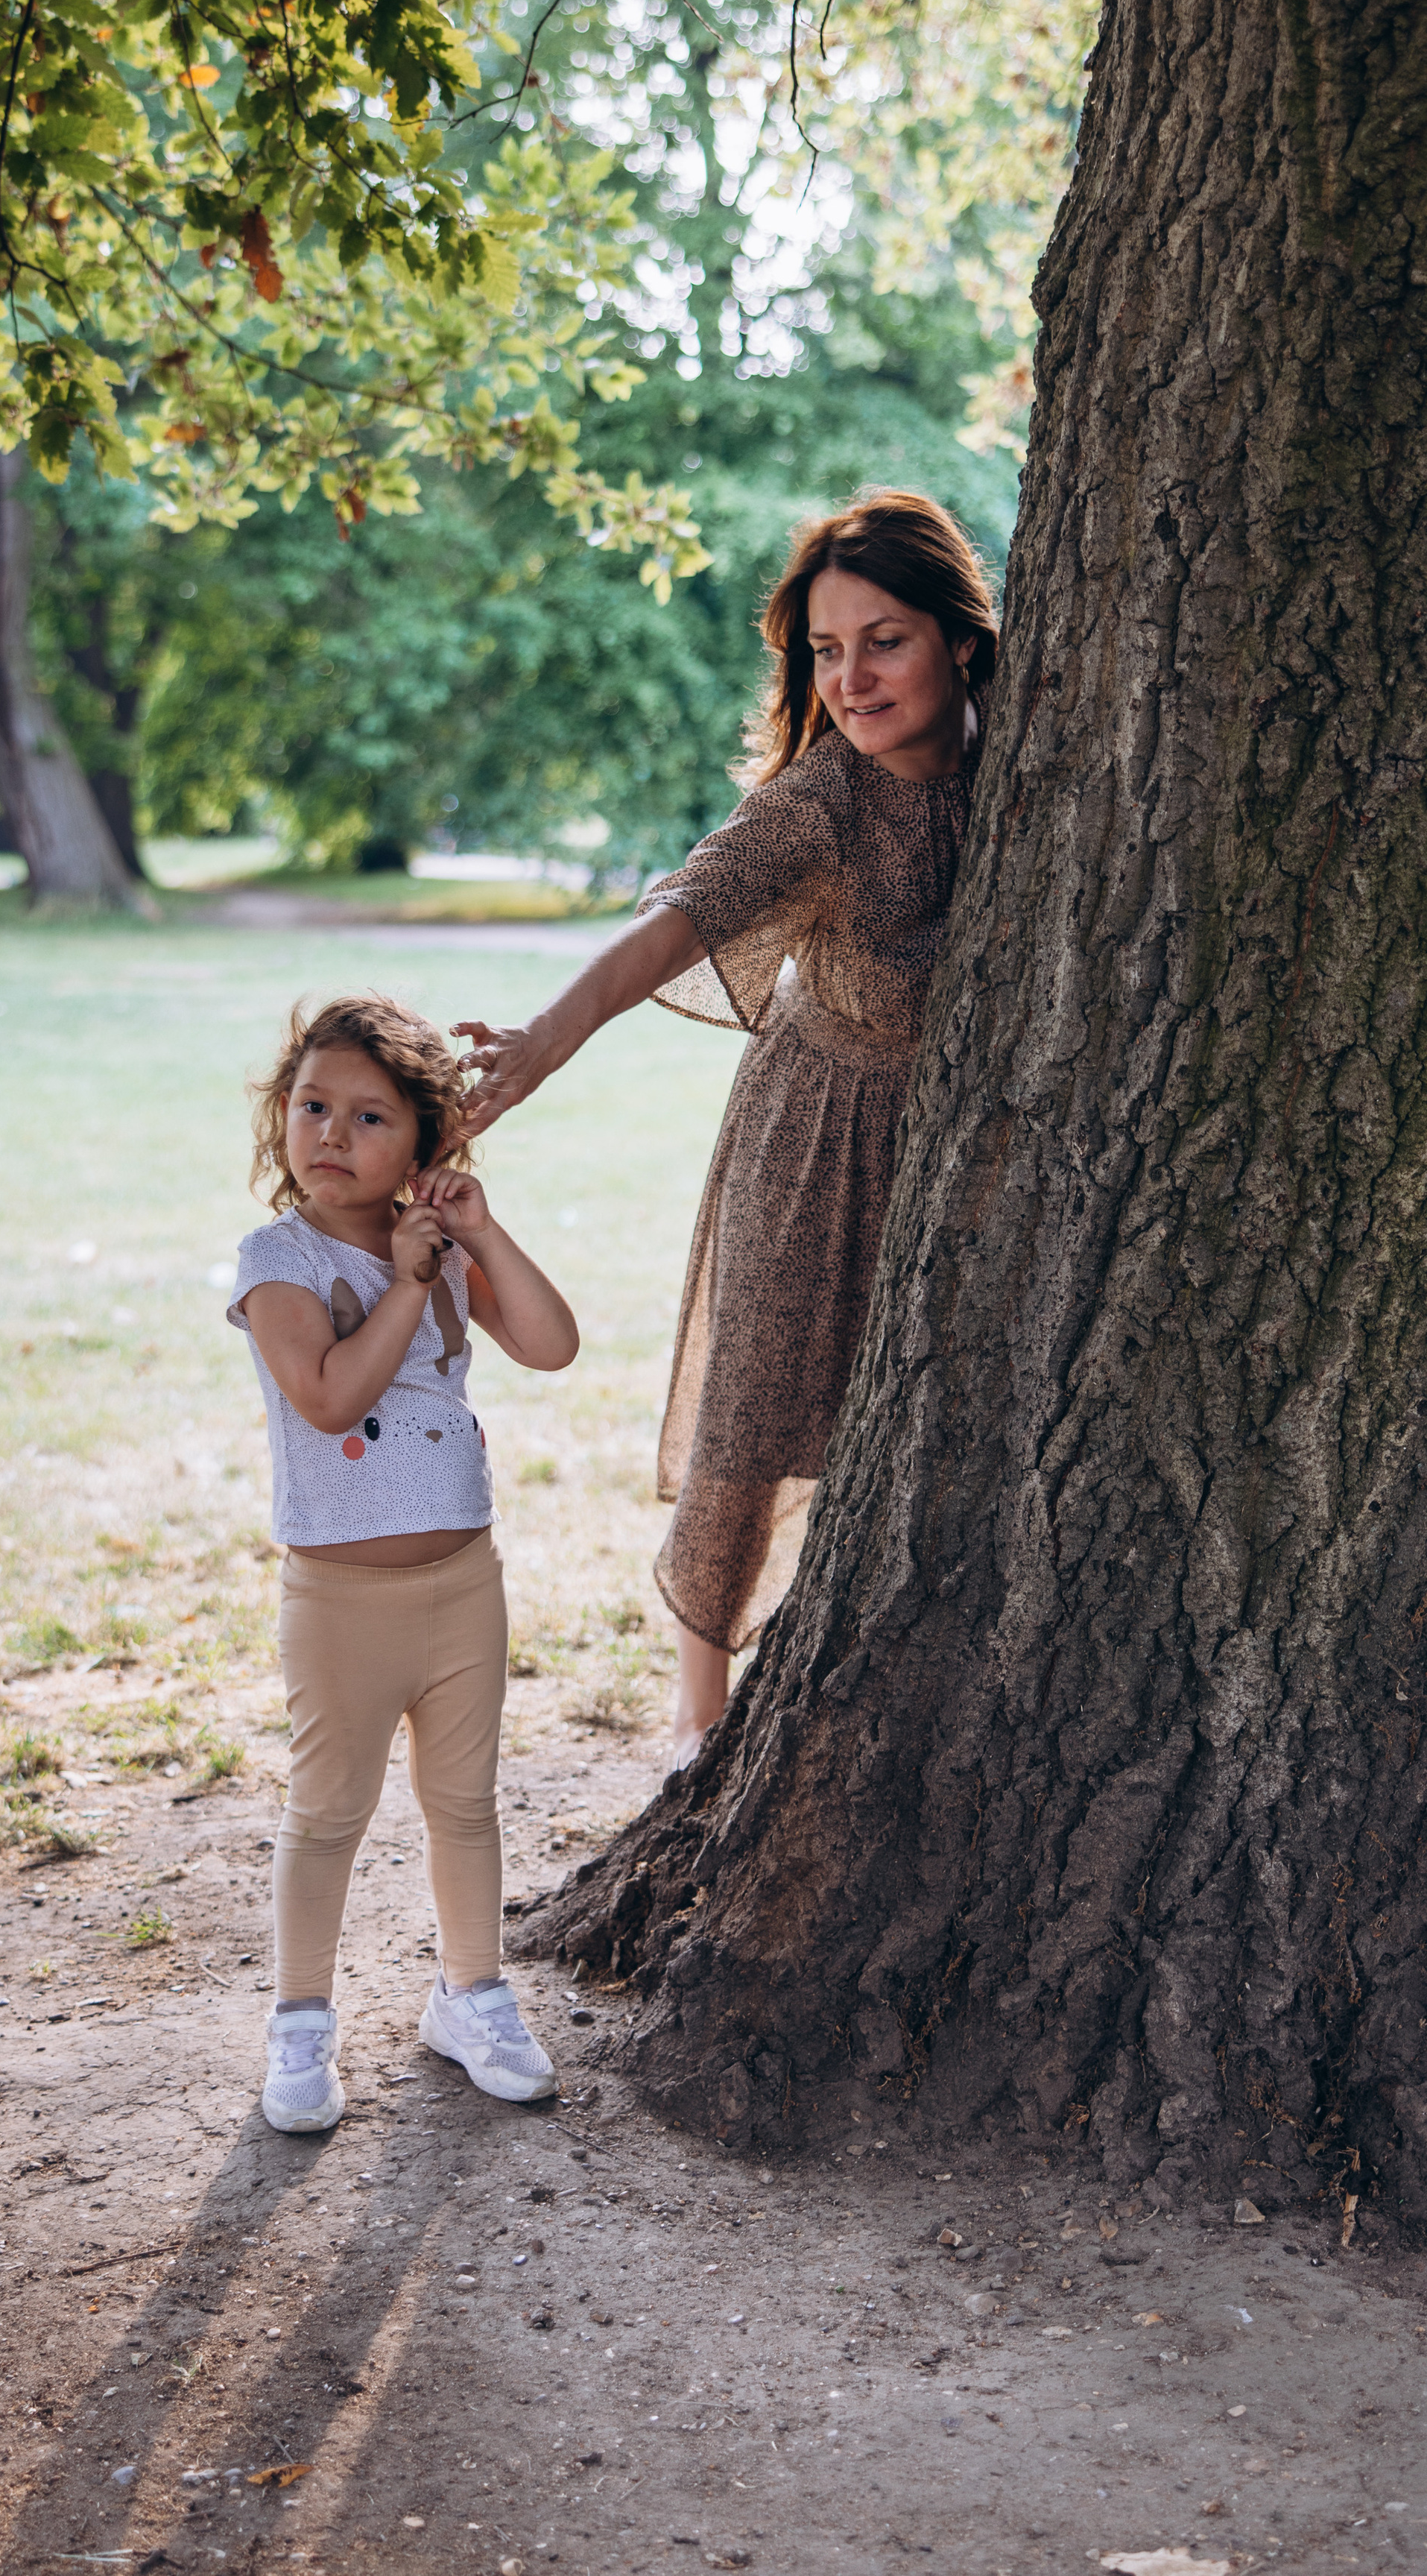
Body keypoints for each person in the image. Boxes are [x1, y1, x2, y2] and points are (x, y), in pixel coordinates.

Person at [456, 488, 996, 1763]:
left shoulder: (1033, 751)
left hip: (961, 1149)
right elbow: (675, 922)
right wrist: (542, 1041)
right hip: (815, 1133)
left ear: (963, 639)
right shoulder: (820, 804)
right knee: (756, 1408)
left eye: (885, 641)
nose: (851, 680)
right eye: (827, 650)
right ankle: (698, 1718)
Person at [228, 991, 581, 2133]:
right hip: (341, 1596)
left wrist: (479, 1233)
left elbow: (552, 1344)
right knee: (329, 1809)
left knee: (463, 1802)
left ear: (424, 1146)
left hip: (464, 1584)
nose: (332, 1134)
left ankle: (470, 1994)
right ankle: (300, 2020)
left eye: (371, 1117)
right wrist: (412, 1282)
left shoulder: (440, 1243)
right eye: (312, 1106)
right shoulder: (276, 1261)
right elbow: (331, 1394)